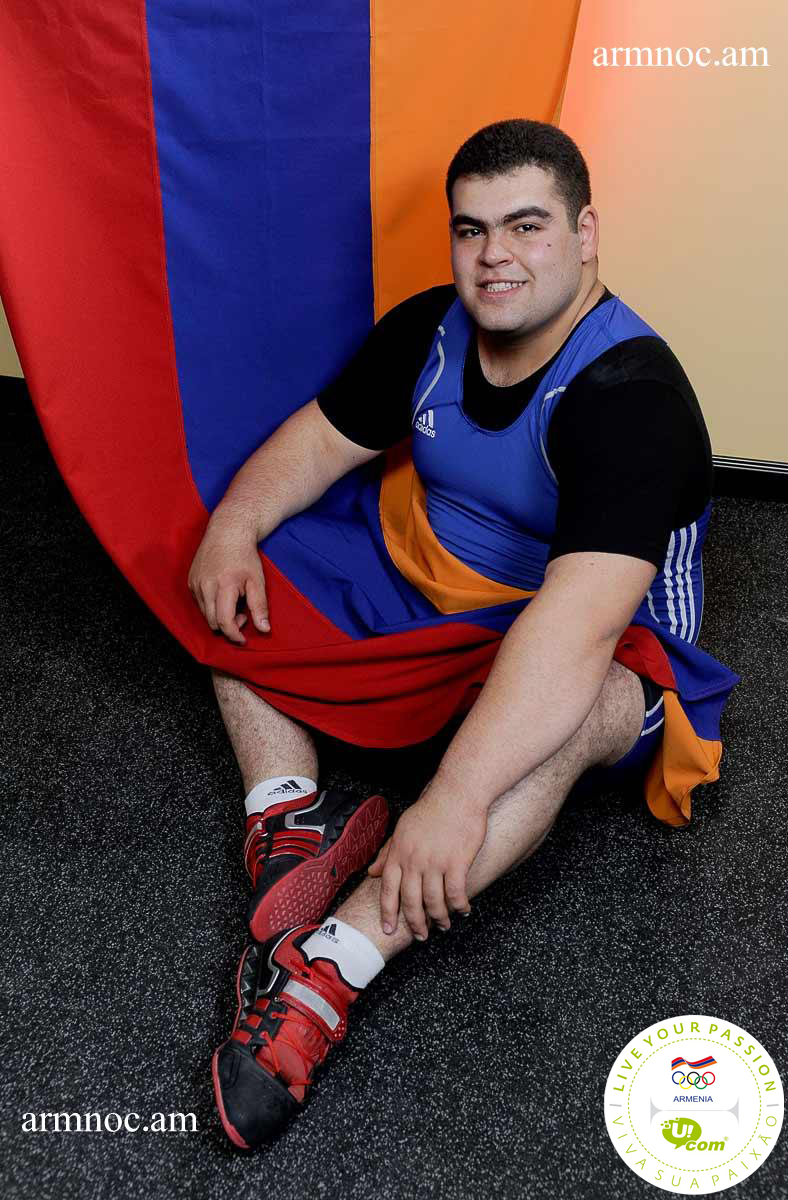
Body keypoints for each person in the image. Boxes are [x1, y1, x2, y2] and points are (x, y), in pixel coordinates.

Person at [188, 119, 736, 1149]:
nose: (494, 256)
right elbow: (315, 445)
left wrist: (451, 800)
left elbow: (573, 631)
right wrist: (231, 528)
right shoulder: (429, 328)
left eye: (526, 227)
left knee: (577, 713)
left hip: (597, 637)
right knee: (238, 563)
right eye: (471, 229)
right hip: (433, 592)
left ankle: (329, 968)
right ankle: (289, 817)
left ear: (584, 234)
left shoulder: (631, 399)